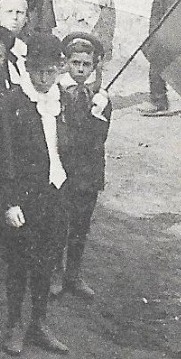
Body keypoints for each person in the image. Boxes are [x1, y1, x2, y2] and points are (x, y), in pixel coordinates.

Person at [0, 32, 72, 355]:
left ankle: (39, 322)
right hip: (25, 197)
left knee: (46, 262)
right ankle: (14, 325)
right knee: (19, 264)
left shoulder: (60, 100)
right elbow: (3, 155)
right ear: (28, 66)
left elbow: (68, 146)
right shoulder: (14, 102)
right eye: (39, 70)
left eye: (52, 70)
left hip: (55, 192)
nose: (45, 77)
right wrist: (9, 202)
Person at [51, 33, 111, 300]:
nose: (80, 69)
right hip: (63, 170)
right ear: (66, 63)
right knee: (58, 223)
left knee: (80, 226)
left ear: (94, 66)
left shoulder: (99, 98)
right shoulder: (56, 93)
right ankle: (54, 271)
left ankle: (73, 273)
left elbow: (99, 138)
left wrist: (97, 115)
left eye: (86, 65)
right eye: (75, 63)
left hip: (88, 172)